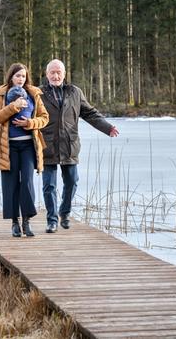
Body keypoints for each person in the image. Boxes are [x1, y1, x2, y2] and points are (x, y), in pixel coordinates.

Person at [40, 59, 119, 233]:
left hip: (70, 145)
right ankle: (52, 220)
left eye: (58, 72)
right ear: (46, 75)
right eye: (52, 72)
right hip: (47, 146)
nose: (55, 75)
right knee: (49, 186)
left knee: (72, 182)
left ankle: (64, 212)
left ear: (64, 74)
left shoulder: (74, 92)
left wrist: (107, 127)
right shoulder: (38, 94)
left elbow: (90, 113)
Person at [0, 63, 49, 237]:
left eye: (23, 76)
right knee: (11, 184)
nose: (21, 79)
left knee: (27, 182)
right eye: (17, 76)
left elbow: (44, 118)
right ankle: (14, 223)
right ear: (11, 77)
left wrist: (29, 123)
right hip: (8, 146)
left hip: (28, 146)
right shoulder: (0, 94)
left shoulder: (34, 93)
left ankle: (27, 221)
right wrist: (14, 106)